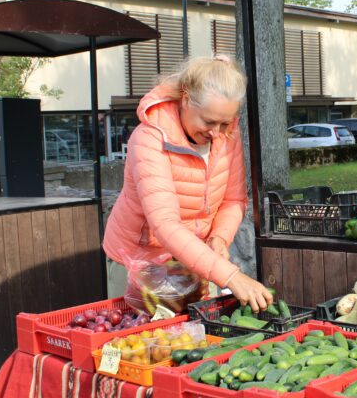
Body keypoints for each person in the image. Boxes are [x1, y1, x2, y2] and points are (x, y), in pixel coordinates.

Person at [103, 55, 273, 313]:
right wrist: (230, 276)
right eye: (208, 121)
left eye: (225, 123)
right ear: (185, 99)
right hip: (139, 262)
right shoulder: (149, 138)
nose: (216, 133)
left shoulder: (227, 135)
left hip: (195, 260)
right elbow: (164, 223)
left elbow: (234, 200)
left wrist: (219, 237)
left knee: (192, 333)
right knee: (143, 334)